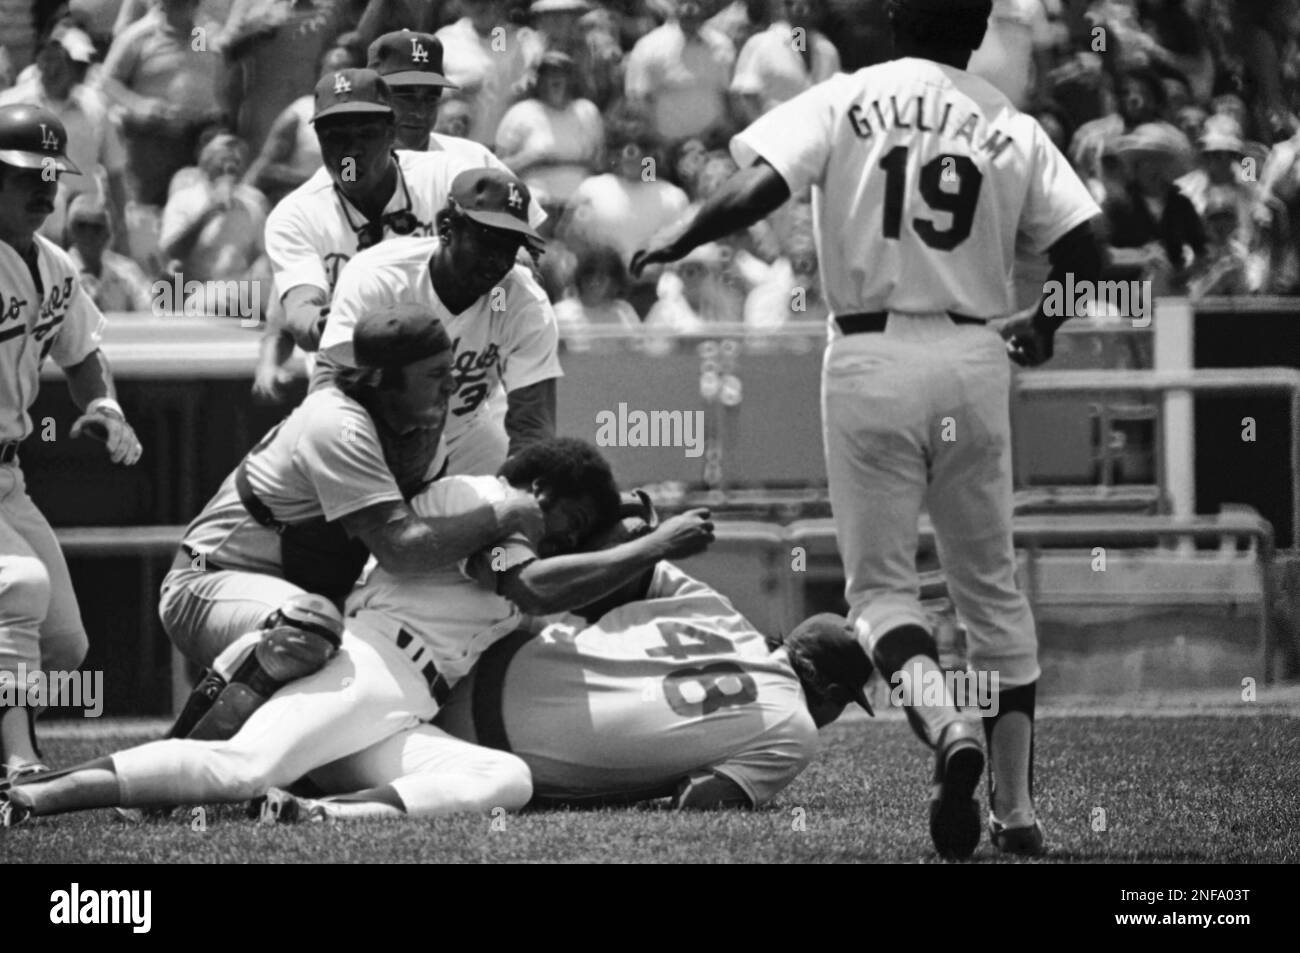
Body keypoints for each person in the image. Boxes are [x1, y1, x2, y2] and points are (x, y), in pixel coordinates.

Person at [630, 0, 1107, 859]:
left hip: (869, 355)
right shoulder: (1009, 119)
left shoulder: (847, 96)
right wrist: (1044, 325)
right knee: (991, 590)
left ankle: (942, 716)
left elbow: (763, 182)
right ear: (974, 33)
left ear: (895, 21)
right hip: (974, 350)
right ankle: (1020, 809)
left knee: (882, 590)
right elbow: (1090, 249)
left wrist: (681, 231)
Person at [0, 439, 716, 825]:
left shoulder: (519, 510)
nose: (565, 541)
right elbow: (529, 580)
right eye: (566, 525)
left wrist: (632, 514)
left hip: (396, 706)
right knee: (240, 767)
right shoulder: (492, 503)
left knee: (505, 777)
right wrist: (651, 544)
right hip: (369, 668)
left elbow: (573, 554)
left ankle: (313, 813)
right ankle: (35, 793)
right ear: (545, 498)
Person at [157, 303, 545, 743]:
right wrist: (507, 512)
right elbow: (402, 548)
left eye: (450, 370)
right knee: (307, 627)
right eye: (435, 375)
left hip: (303, 598)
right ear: (380, 379)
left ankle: (289, 776)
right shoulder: (337, 423)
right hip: (208, 583)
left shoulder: (423, 433)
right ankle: (171, 761)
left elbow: (436, 537)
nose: (451, 385)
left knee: (351, 645)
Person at [433, 544, 875, 809]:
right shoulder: (795, 729)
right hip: (485, 757)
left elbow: (629, 558)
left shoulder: (716, 609)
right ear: (833, 692)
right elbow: (696, 800)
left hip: (464, 657)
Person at [253, 67, 545, 403]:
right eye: (338, 136)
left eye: (366, 133)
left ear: (391, 130)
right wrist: (324, 324)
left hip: (461, 384)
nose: (352, 151)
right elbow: (298, 308)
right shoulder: (297, 214)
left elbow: (520, 252)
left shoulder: (448, 175)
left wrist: (509, 276)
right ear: (318, 136)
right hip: (358, 389)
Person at [0, 104, 143, 780]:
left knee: (63, 642)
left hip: (9, 479)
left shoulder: (54, 263)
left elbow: (82, 351)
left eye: (51, 174)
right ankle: (20, 763)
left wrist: (107, 405)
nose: (43, 187)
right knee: (18, 588)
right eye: (25, 173)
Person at [316, 168, 561, 479]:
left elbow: (532, 426)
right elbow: (329, 392)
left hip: (463, 438)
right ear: (446, 227)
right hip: (376, 438)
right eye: (487, 241)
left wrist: (525, 501)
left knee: (531, 500)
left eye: (509, 247)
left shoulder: (517, 299)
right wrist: (353, 465)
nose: (497, 260)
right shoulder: (381, 277)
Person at [0, 23, 130, 250]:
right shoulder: (11, 105)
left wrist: (121, 231)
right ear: (43, 60)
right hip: (23, 222)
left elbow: (115, 172)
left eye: (81, 65)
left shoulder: (96, 107)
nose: (78, 70)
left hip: (81, 228)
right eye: (68, 61)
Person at [158, 132, 270, 319]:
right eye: (224, 159)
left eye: (237, 160)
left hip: (243, 286)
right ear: (206, 164)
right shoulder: (185, 199)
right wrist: (208, 212)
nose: (230, 165)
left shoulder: (254, 202)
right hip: (198, 288)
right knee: (223, 300)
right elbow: (171, 252)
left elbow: (264, 255)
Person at [494, 51, 604, 215]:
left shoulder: (587, 111)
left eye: (561, 74)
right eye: (548, 74)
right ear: (538, 80)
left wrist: (569, 160)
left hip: (579, 204)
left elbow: (600, 162)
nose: (555, 80)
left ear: (571, 79)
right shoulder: (520, 112)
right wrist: (532, 159)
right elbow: (498, 169)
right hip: (537, 203)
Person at [623, 0, 736, 148]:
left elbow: (729, 95)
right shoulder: (648, 46)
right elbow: (637, 100)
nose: (690, 8)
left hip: (712, 145)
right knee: (647, 171)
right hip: (661, 148)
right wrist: (659, 141)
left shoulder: (722, 44)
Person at [729, 0, 841, 127]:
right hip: (773, 137)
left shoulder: (826, 51)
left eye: (811, 3)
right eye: (792, 3)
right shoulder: (761, 44)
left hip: (819, 139)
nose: (802, 9)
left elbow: (835, 101)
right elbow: (746, 97)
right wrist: (762, 135)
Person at [64, 193, 154, 313]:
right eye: (81, 226)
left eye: (97, 227)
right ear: (70, 232)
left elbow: (149, 314)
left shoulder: (126, 271)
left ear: (108, 234)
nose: (88, 234)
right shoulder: (59, 272)